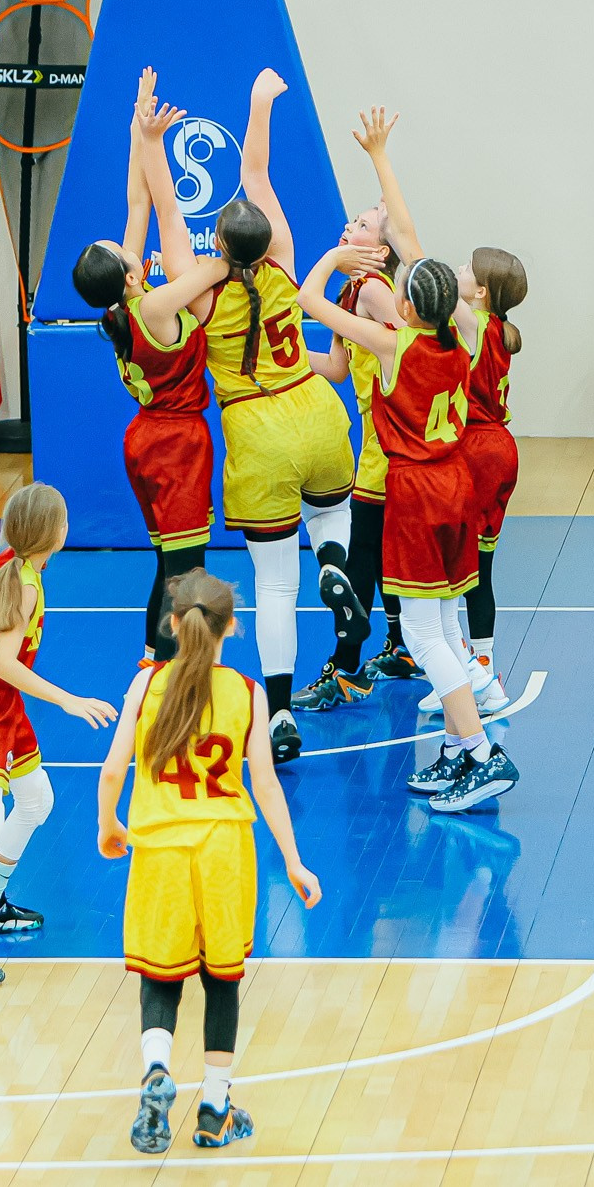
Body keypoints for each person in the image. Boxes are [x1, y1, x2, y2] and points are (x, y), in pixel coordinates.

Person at [97, 569, 321, 1154]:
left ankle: (156, 1070)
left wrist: (110, 826)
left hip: (162, 849)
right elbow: (268, 786)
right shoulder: (249, 693)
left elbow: (113, 770)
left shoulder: (146, 686)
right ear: (232, 628)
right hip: (224, 852)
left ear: (172, 624)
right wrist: (294, 862)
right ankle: (215, 1108)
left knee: (160, 972)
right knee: (221, 979)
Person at [299, 250, 521, 812]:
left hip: (417, 492)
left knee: (422, 637)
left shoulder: (393, 346)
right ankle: (453, 746)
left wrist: (334, 257)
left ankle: (480, 751)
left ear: (403, 307)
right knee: (445, 625)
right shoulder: (465, 340)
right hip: (455, 485)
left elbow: (307, 300)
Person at [199, 68, 363, 765]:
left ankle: (280, 715)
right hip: (317, 409)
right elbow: (255, 167)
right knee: (331, 517)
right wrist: (259, 99)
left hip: (257, 428)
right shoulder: (287, 262)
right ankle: (335, 561)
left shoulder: (201, 296)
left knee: (271, 585)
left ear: (217, 246)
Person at [69, 72, 229, 662]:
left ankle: (153, 657)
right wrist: (235, 245)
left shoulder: (123, 303)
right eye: (121, 251)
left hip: (146, 438)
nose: (122, 241)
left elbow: (139, 200)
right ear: (133, 274)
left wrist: (140, 128)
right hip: (175, 443)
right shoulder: (156, 307)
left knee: (169, 563)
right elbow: (213, 269)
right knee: (186, 572)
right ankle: (172, 668)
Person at [0, 481, 118, 988]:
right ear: (52, 533)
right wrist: (69, 700)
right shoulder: (26, 585)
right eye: (62, 520)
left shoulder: (14, 563)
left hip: (2, 706)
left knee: (36, 800)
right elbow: (3, 663)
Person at [300, 106, 424, 710]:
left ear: (377, 251)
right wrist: (288, 364)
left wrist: (383, 158)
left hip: (389, 451)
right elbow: (339, 368)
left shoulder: (374, 291)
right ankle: (400, 646)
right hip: (376, 445)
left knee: (364, 565)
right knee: (380, 555)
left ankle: (348, 667)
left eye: (363, 222)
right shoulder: (358, 290)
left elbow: (402, 348)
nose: (351, 224)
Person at [458, 246, 527, 705]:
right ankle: (477, 669)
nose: (457, 269)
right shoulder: (499, 329)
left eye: (465, 268)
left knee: (458, 572)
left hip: (478, 451)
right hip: (501, 449)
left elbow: (426, 273)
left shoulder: (476, 324)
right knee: (481, 569)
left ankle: (476, 677)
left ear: (480, 292)